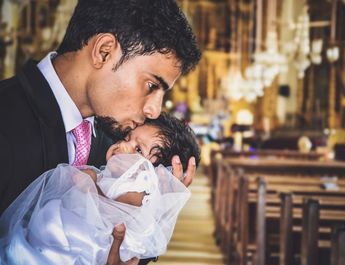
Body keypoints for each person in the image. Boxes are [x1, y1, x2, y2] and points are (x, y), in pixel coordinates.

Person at [0, 1, 201, 264]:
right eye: (151, 85)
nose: (154, 110)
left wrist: (153, 214)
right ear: (104, 52)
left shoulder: (123, 145)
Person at [0, 112, 201, 265]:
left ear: (152, 172)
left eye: (138, 149)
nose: (123, 145)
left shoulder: (141, 185)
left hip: (83, 245)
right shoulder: (112, 173)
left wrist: (92, 186)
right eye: (127, 138)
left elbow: (121, 212)